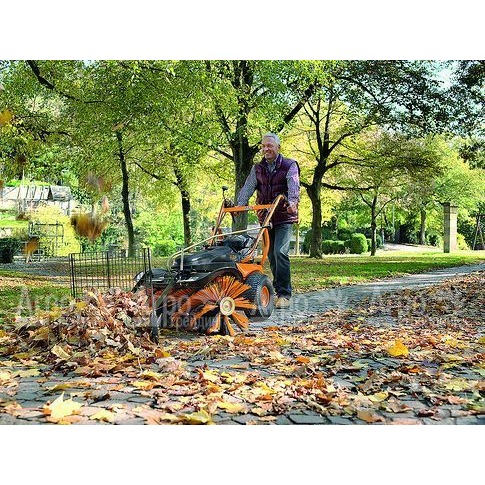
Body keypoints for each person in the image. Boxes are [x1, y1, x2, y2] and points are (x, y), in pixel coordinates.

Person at [237, 133, 300, 309]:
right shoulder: (257, 168)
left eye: (270, 146)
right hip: (266, 217)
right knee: (271, 254)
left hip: (284, 216)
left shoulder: (289, 165)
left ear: (278, 147)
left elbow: (293, 186)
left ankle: (284, 294)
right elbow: (248, 187)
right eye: (264, 146)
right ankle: (277, 290)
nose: (266, 149)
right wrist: (239, 205)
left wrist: (292, 202)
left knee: (280, 252)